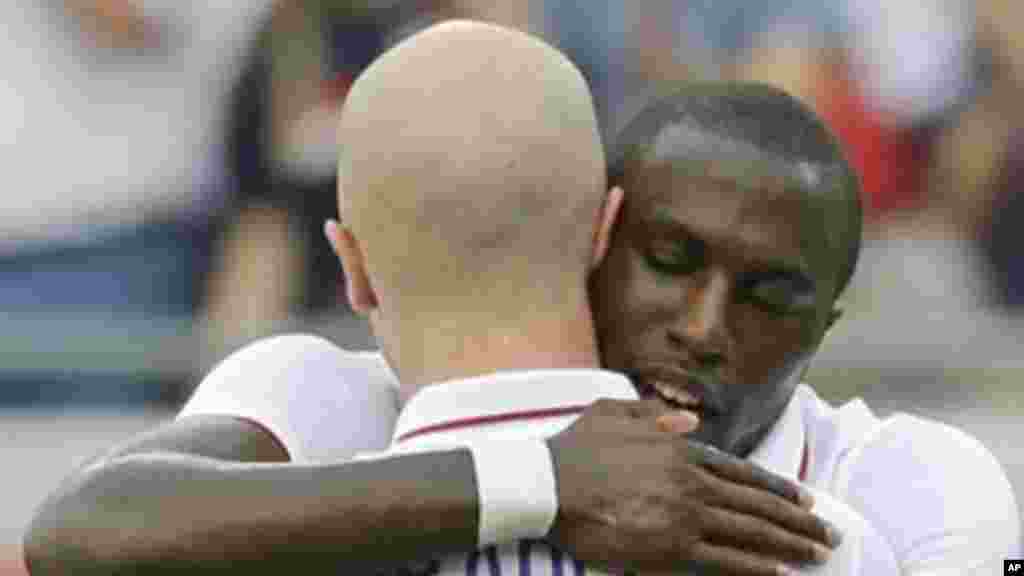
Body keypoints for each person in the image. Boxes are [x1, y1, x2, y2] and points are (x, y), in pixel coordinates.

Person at [23, 21, 849, 576]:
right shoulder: (842, 534)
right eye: (674, 261)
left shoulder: (297, 424)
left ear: (351, 265)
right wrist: (545, 482)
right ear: (602, 232)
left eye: (766, 295)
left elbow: (70, 535)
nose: (703, 330)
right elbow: (83, 529)